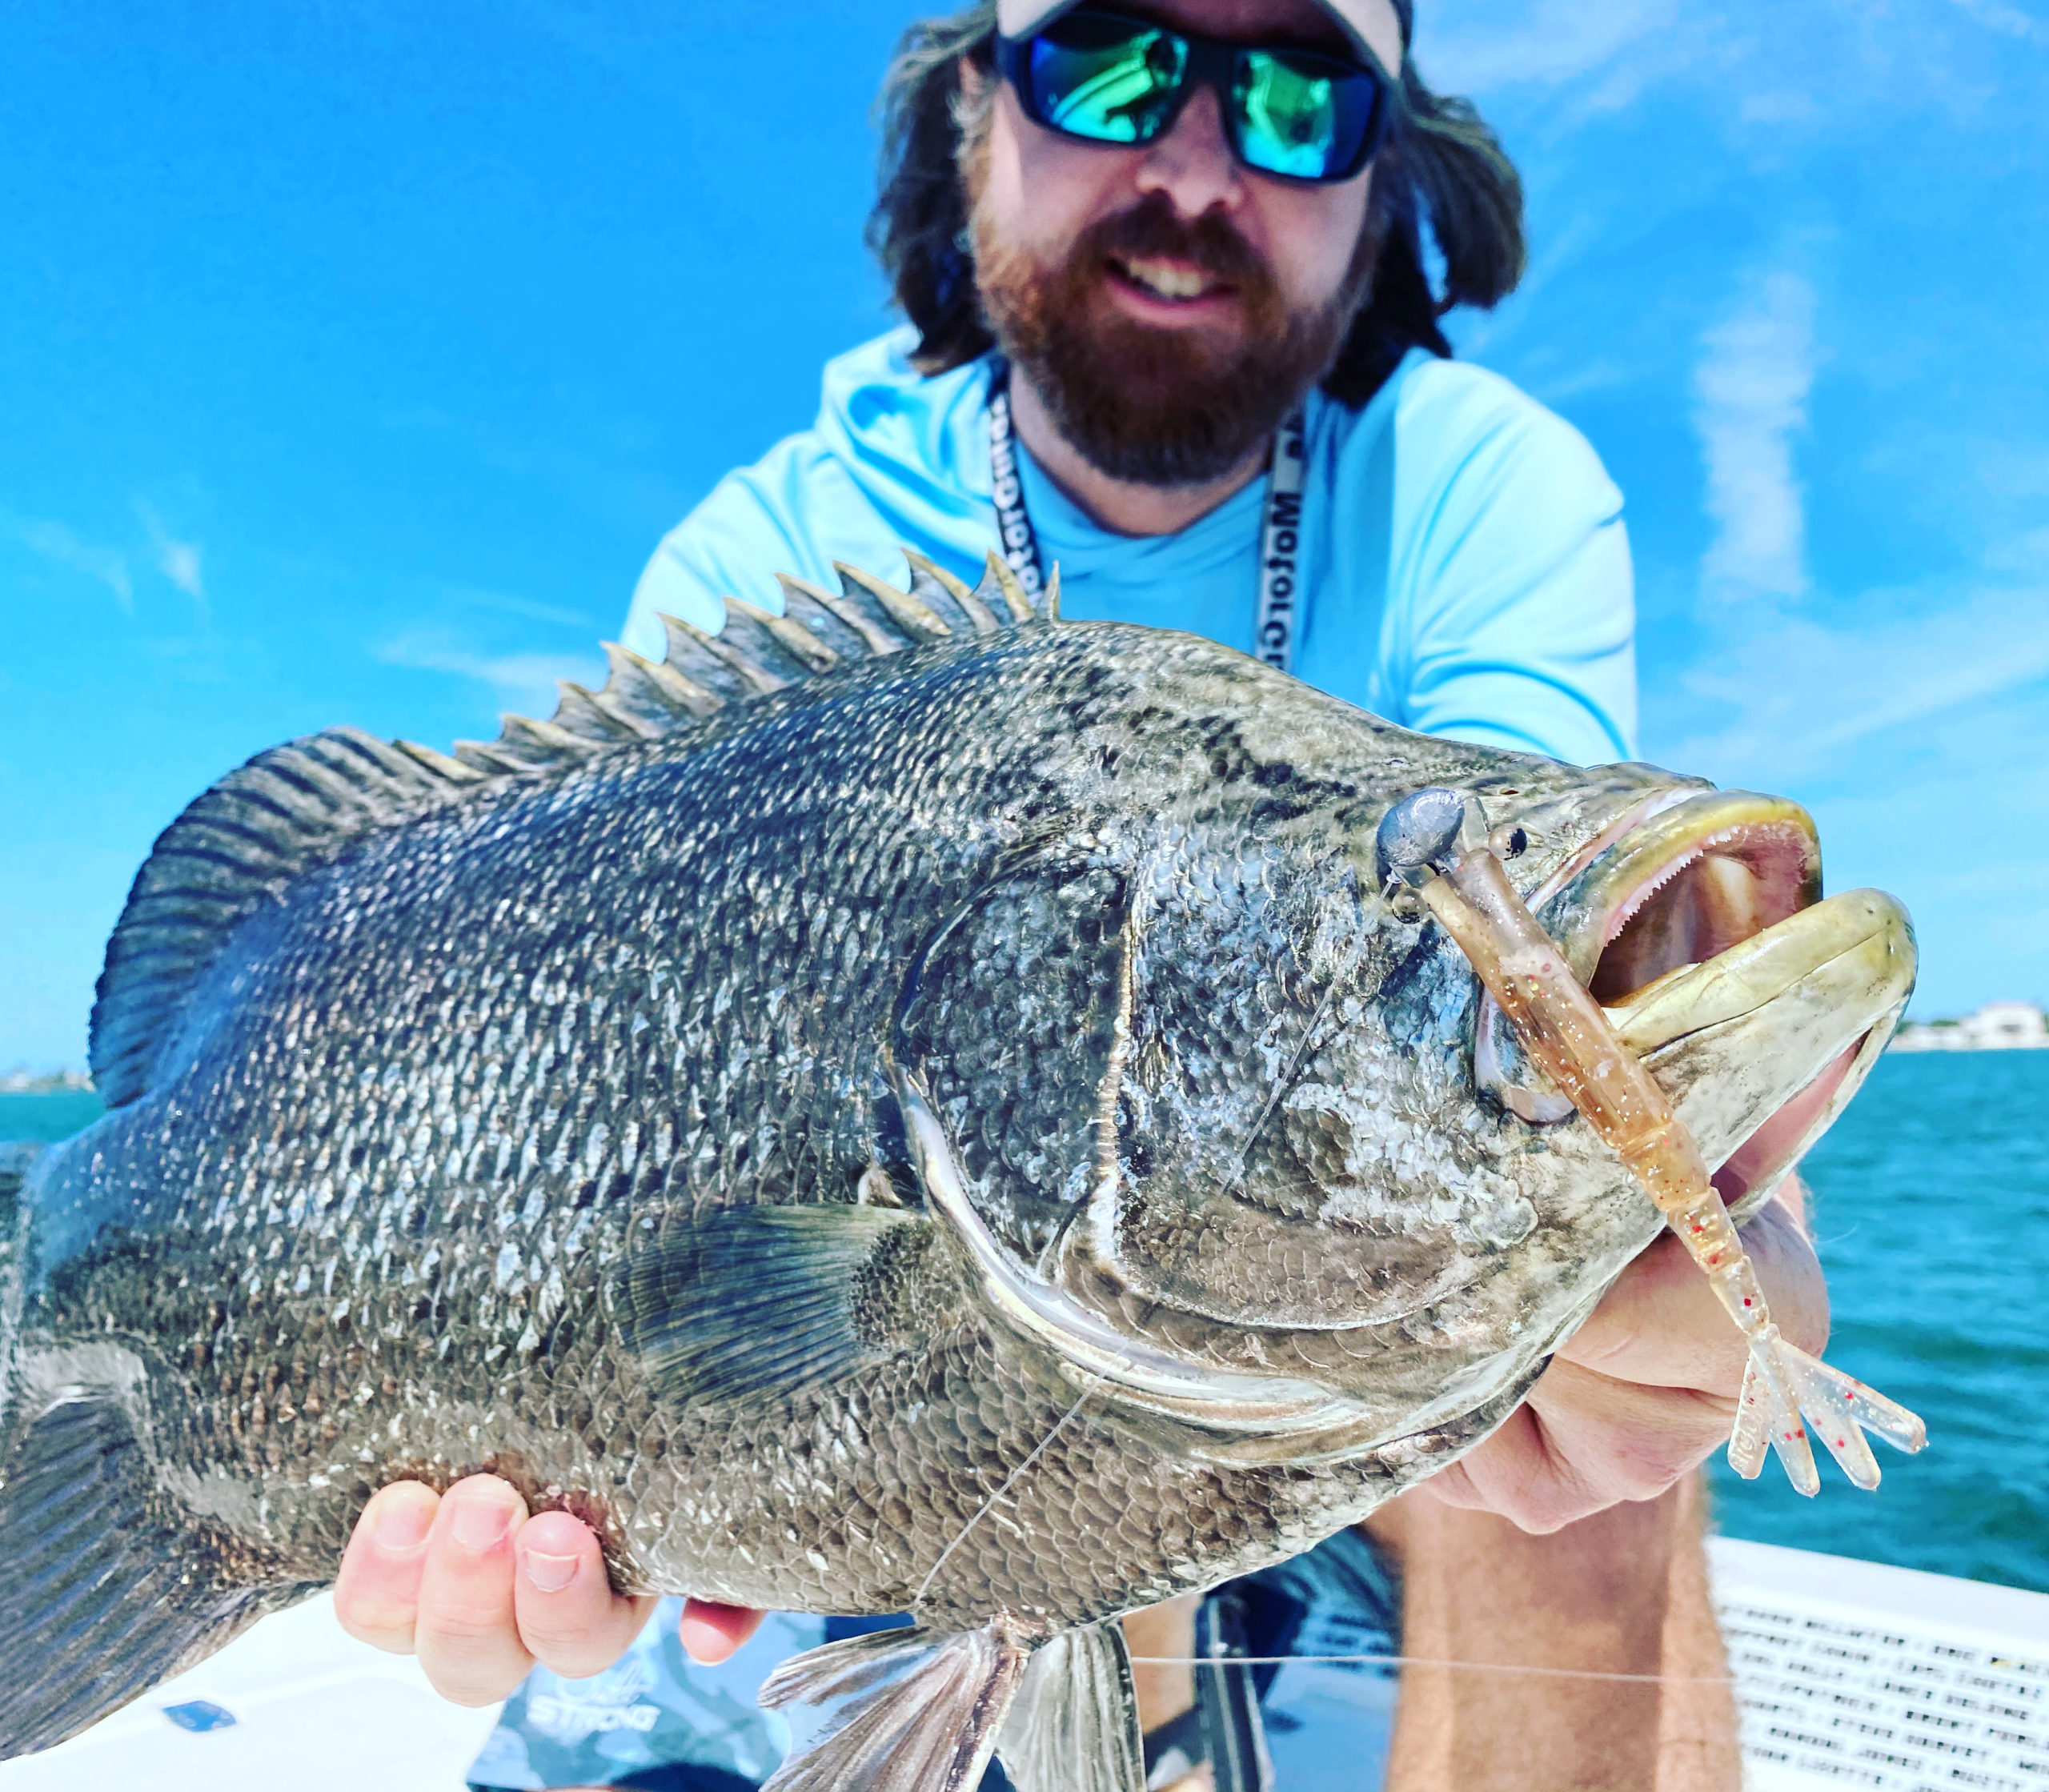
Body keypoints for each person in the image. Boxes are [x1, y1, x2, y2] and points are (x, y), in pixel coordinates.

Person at [335, 0, 1829, 1785]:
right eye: (1109, 63)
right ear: (976, 107)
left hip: (1299, 1363)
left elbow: (1529, 970)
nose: (1195, 163)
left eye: (1298, 98)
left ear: (1384, 174)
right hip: (858, 1410)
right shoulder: (776, 555)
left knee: (1578, 1443)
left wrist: (1691, 1252)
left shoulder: (1473, 486)